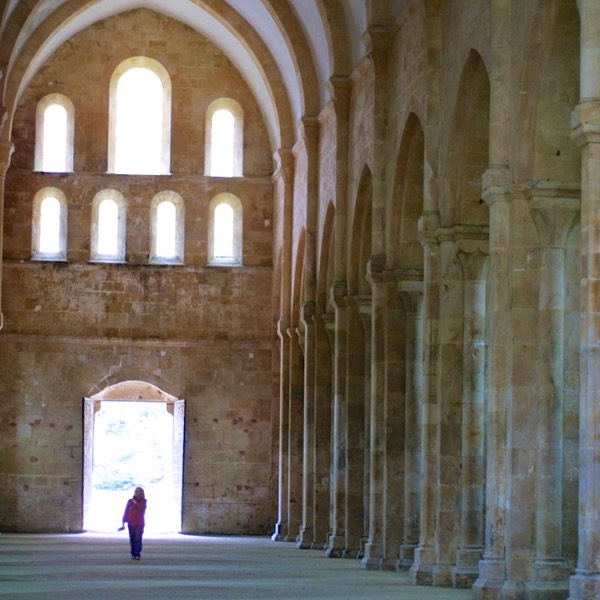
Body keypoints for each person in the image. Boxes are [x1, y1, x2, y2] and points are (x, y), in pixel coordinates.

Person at [121, 486, 147, 560]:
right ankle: (133, 552)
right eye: (136, 491)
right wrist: (123, 522)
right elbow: (126, 511)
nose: (137, 492)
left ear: (141, 493)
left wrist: (135, 503)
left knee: (138, 538)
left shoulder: (144, 501)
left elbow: (142, 509)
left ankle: (137, 553)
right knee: (132, 538)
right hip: (131, 522)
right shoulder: (130, 501)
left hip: (140, 523)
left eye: (138, 491)